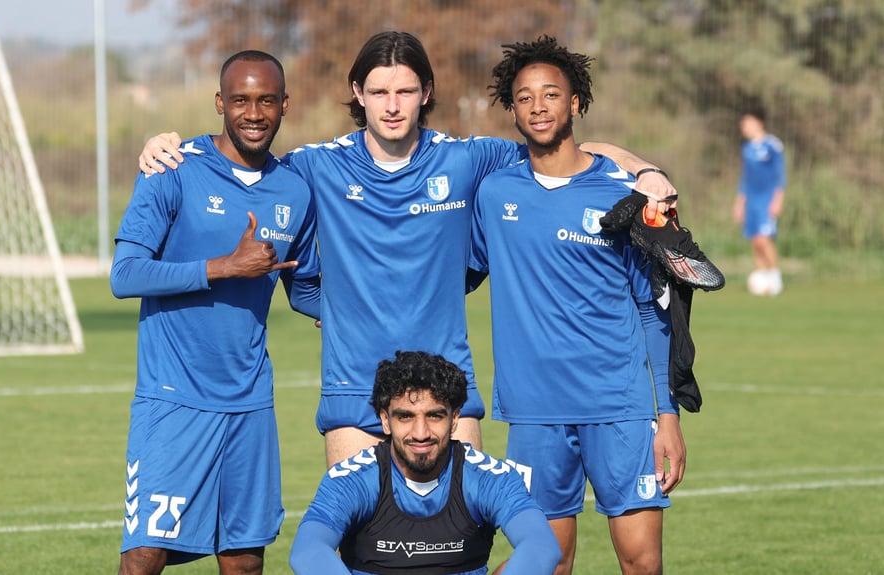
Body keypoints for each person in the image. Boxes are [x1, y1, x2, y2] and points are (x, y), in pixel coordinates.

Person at [138, 31, 678, 467]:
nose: (392, 106)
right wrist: (167, 145)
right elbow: (241, 166)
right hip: (354, 391)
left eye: (404, 92)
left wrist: (645, 170)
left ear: (426, 92)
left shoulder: (466, 160)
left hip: (448, 388)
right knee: (360, 550)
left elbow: (561, 146)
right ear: (358, 93)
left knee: (460, 549)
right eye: (379, 92)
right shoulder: (317, 167)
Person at [469, 36, 686, 575]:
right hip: (533, 411)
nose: (538, 106)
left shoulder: (622, 195)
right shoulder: (494, 193)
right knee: (548, 561)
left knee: (642, 564)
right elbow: (455, 277)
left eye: (550, 94)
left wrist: (667, 416)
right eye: (524, 97)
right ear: (512, 109)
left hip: (618, 404)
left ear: (575, 102)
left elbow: (652, 310)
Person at [109, 50, 319, 575]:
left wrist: (376, 308)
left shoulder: (295, 190)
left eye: (266, 100)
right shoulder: (172, 168)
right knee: (144, 556)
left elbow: (306, 292)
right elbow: (125, 274)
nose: (254, 113)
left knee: (245, 559)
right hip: (174, 398)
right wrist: (224, 267)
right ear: (220, 103)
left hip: (251, 403)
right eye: (241, 100)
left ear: (285, 105)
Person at [289, 350, 560, 575]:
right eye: (405, 417)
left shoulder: (488, 477)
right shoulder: (354, 479)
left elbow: (540, 546)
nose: (420, 433)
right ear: (385, 420)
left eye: (434, 416)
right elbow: (308, 551)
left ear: (454, 419)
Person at [733, 105, 786, 296]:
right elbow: (745, 180)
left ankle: (775, 277)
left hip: (766, 199)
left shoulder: (772, 145)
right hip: (752, 202)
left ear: (759, 123)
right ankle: (763, 278)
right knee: (755, 241)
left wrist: (778, 200)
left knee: (764, 240)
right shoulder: (747, 149)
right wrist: (739, 204)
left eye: (747, 123)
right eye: (743, 124)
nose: (744, 127)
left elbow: (780, 175)